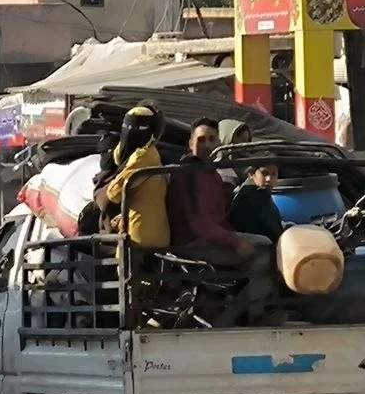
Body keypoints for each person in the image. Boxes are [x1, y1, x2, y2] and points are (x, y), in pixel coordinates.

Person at [165, 118, 273, 320]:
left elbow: (219, 217)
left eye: (211, 139)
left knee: (264, 244)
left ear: (219, 143)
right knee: (265, 250)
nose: (206, 145)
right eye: (201, 140)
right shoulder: (187, 172)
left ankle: (233, 306)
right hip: (194, 244)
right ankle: (245, 317)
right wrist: (236, 241)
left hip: (211, 240)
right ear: (190, 144)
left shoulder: (211, 173)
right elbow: (199, 224)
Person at [98, 102, 169, 250]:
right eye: (127, 127)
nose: (129, 132)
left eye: (137, 128)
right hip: (156, 233)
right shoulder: (152, 153)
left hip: (137, 238)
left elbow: (113, 194)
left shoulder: (141, 157)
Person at [229, 163, 285, 243]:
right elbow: (271, 229)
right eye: (264, 173)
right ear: (251, 174)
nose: (269, 178)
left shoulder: (262, 193)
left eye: (273, 174)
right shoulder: (250, 196)